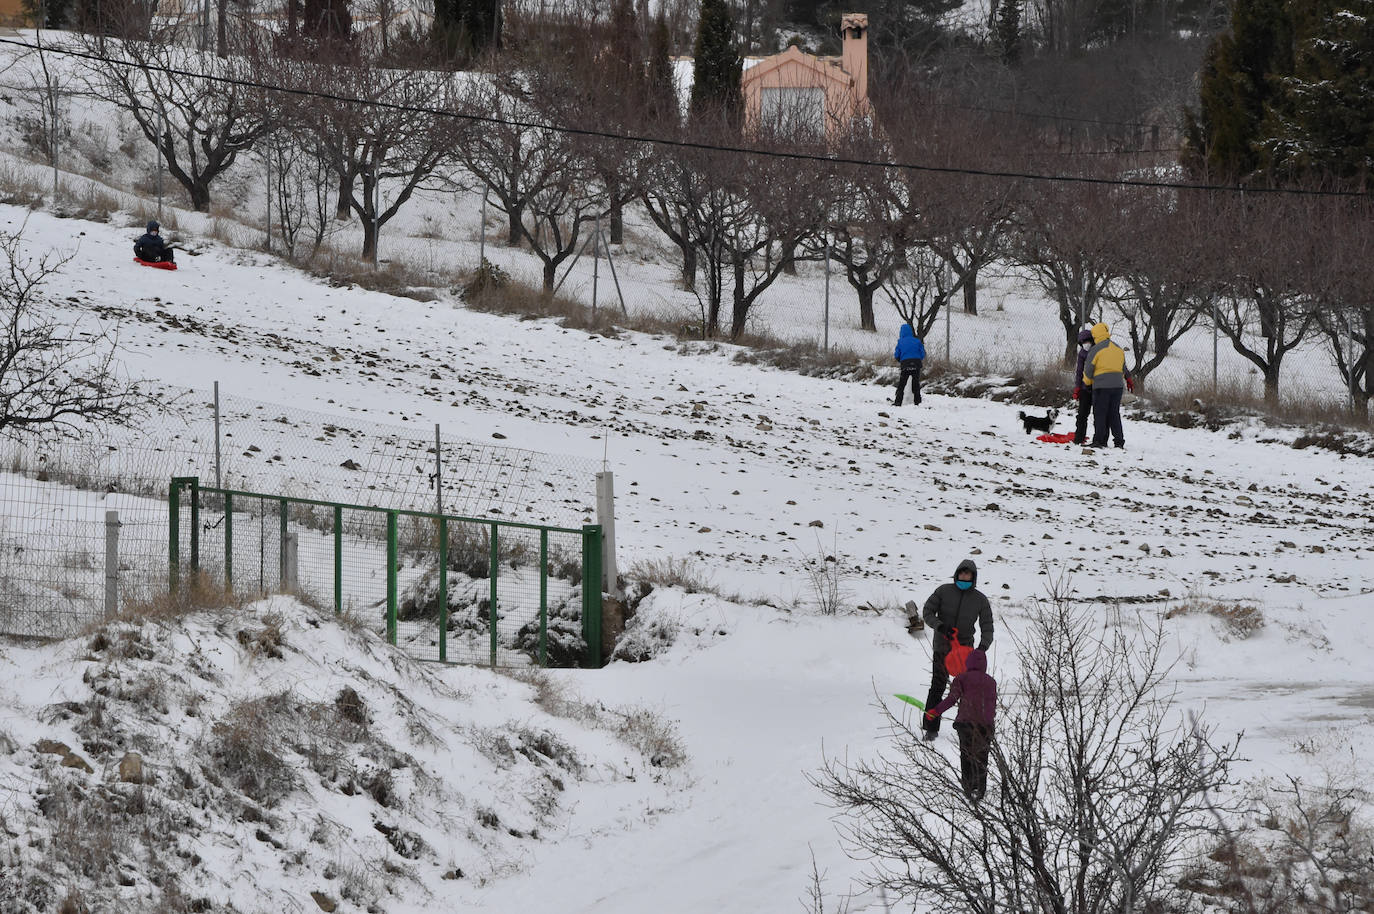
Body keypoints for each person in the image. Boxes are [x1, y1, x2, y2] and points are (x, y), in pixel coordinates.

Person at [920, 558, 993, 741]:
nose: (964, 576)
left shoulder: (980, 599)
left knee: (968, 690)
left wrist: (983, 647)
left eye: (967, 573)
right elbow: (927, 612)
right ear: (957, 573)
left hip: (966, 653)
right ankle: (930, 727)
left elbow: (987, 625)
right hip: (942, 648)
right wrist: (940, 626)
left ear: (973, 577)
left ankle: (969, 725)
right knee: (938, 685)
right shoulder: (943, 591)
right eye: (961, 572)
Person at [924, 648, 996, 802]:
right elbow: (991, 705)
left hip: (966, 724)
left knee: (967, 755)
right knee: (982, 756)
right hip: (985, 726)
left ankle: (969, 788)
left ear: (968, 663)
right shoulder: (991, 681)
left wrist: (935, 711)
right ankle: (980, 789)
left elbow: (952, 699)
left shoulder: (961, 679)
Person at [1082, 321, 1133, 449]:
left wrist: (1087, 384)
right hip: (1117, 386)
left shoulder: (1095, 349)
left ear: (1095, 335)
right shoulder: (1118, 348)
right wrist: (1127, 379)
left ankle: (1099, 441)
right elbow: (1123, 367)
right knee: (1114, 414)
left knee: (1100, 413)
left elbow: (1088, 370)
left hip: (1101, 386)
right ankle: (1119, 441)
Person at [1070, 327, 1095, 445]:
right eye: (1083, 342)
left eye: (1087, 341)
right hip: (1085, 389)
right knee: (1082, 415)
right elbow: (1079, 372)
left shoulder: (1097, 350)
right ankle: (1079, 438)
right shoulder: (1082, 354)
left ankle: (1098, 439)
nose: (1086, 344)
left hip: (1097, 387)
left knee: (1098, 415)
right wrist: (1077, 387)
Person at [893, 323, 926, 406]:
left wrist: (900, 360)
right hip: (916, 363)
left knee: (902, 384)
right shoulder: (917, 341)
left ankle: (898, 402)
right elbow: (922, 353)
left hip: (905, 363)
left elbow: (897, 354)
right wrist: (918, 359)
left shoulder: (900, 342)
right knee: (916, 383)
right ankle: (917, 402)